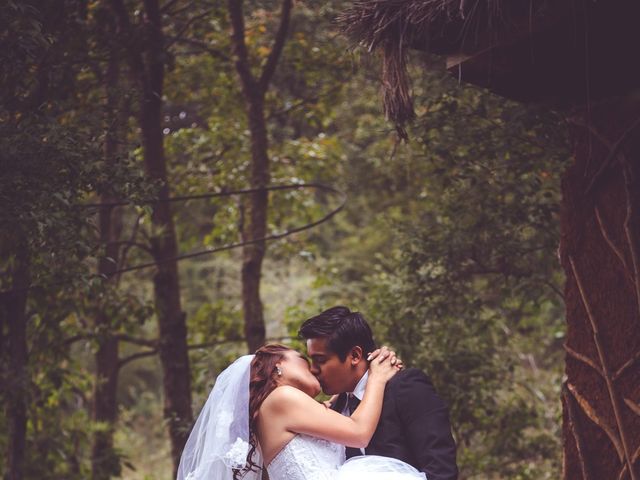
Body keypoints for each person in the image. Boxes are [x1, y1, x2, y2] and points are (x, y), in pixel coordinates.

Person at [177, 343, 427, 480]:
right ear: (278, 367)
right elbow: (359, 432)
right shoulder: (282, 398)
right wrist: (377, 379)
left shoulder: (274, 409)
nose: (314, 369)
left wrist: (350, 385)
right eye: (304, 361)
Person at [299, 306, 458, 480]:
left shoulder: (406, 387)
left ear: (354, 355)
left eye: (320, 360)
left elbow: (441, 468)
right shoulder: (335, 407)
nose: (313, 370)